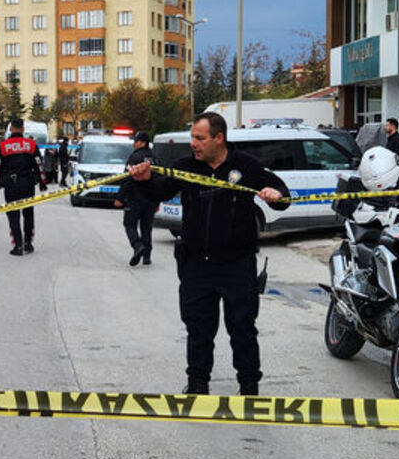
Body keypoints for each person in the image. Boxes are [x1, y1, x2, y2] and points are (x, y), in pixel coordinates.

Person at [128, 112, 289, 396]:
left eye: (200, 138)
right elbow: (159, 193)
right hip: (196, 264)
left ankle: (249, 386)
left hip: (237, 264)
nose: (194, 143)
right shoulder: (185, 167)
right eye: (192, 137)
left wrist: (275, 195)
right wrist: (142, 181)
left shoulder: (245, 166)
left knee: (242, 329)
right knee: (198, 329)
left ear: (219, 138)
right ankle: (197, 383)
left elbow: (282, 194)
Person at [0, 118, 47, 256]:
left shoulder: (3, 146)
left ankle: (17, 245)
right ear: (23, 129)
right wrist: (42, 183)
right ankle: (28, 243)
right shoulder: (30, 145)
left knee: (13, 214)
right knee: (28, 213)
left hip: (11, 184)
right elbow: (39, 165)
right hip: (27, 183)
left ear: (11, 129)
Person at [114, 131, 158, 266]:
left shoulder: (135, 157)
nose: (134, 144)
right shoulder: (155, 158)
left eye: (136, 141)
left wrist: (120, 197)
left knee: (129, 224)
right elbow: (159, 180)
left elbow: (128, 178)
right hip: (150, 199)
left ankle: (137, 245)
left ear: (142, 142)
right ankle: (147, 256)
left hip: (135, 198)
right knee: (146, 226)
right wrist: (157, 200)